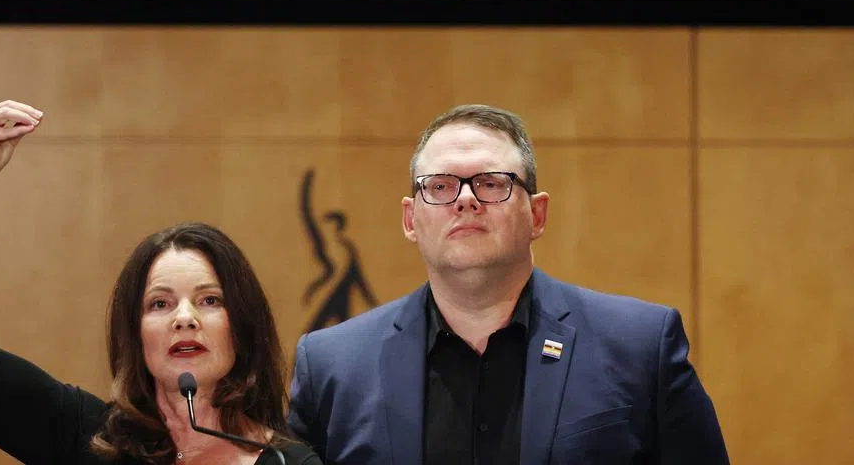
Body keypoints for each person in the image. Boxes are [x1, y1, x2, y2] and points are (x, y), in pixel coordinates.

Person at [287, 104, 728, 464]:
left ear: (537, 215)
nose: (464, 199)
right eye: (439, 186)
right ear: (410, 220)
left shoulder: (640, 346)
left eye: (491, 183)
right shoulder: (332, 367)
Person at [0, 100, 322, 465]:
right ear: (135, 332)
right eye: (159, 304)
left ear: (244, 327)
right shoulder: (90, 437)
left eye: (210, 300)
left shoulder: (290, 463)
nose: (185, 318)